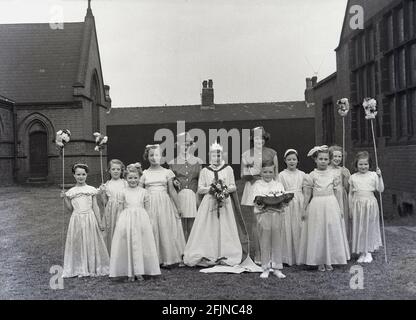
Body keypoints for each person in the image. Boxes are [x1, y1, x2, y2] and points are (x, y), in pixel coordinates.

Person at [183, 141, 242, 267]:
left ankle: (225, 252)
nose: (217, 158)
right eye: (214, 156)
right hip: (209, 202)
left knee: (225, 226)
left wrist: (223, 189)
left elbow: (233, 186)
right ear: (210, 156)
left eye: (219, 155)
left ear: (222, 156)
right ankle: (208, 252)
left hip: (224, 203)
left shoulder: (228, 169)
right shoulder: (205, 170)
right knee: (208, 226)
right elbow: (200, 188)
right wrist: (212, 189)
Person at [297, 146, 350, 272]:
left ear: (329, 160)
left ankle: (330, 259)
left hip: (331, 203)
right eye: (320, 159)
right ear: (315, 159)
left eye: (326, 159)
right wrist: (304, 209)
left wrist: (340, 208)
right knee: (318, 231)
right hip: (317, 205)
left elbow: (337, 193)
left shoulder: (333, 175)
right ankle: (319, 260)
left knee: (331, 229)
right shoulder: (311, 175)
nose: (323, 161)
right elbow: (307, 194)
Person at [109, 165, 161, 281]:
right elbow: (120, 210)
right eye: (130, 178)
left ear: (139, 178)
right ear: (126, 178)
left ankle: (140, 271)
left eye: (135, 178)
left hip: (141, 220)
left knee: (141, 244)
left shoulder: (144, 192)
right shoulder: (122, 192)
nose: (133, 180)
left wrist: (149, 222)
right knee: (128, 244)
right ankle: (130, 271)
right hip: (126, 220)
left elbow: (148, 209)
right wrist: (119, 224)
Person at [140, 144, 186, 267]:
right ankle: (155, 258)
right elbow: (140, 191)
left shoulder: (167, 172)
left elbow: (171, 190)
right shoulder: (144, 173)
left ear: (161, 157)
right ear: (147, 156)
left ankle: (168, 257)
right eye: (151, 155)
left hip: (164, 203)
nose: (154, 158)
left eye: (157, 155)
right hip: (150, 203)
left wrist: (178, 207)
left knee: (165, 228)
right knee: (152, 228)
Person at [61, 163, 109, 277]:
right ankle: (80, 266)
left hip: (90, 218)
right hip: (76, 219)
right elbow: (70, 209)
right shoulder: (72, 191)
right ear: (74, 175)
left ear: (87, 175)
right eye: (78, 174)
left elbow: (95, 207)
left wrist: (99, 222)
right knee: (78, 241)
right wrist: (64, 198)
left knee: (90, 240)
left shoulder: (91, 190)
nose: (81, 177)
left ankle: (91, 265)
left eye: (83, 174)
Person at [240, 126, 278, 262]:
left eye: (261, 138)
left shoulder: (272, 153)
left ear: (265, 139)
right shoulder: (246, 154)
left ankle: (271, 253)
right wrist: (253, 174)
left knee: (271, 221)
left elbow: (276, 174)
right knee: (256, 222)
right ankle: (258, 253)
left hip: (269, 188)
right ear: (252, 139)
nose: (259, 141)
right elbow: (242, 174)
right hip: (253, 187)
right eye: (256, 138)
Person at [252, 161, 287, 279]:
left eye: (270, 172)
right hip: (264, 215)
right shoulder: (257, 185)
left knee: (277, 240)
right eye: (265, 172)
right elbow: (256, 201)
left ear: (274, 172)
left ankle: (277, 267)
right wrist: (264, 206)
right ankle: (265, 267)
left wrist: (279, 204)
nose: (267, 174)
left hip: (276, 215)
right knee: (265, 240)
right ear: (261, 172)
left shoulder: (278, 185)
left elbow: (283, 200)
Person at [349, 151, 384, 263]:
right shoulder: (353, 177)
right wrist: (350, 207)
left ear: (369, 164)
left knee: (369, 226)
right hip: (357, 204)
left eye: (366, 164)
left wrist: (380, 176)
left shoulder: (373, 175)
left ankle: (368, 251)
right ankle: (362, 251)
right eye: (360, 164)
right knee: (360, 227)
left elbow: (380, 189)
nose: (363, 166)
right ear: (356, 165)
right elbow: (350, 193)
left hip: (370, 204)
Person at [169, 132, 203, 242]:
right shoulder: (172, 163)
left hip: (194, 195)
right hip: (180, 196)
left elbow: (201, 181)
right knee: (181, 225)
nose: (185, 147)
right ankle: (182, 250)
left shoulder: (198, 161)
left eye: (188, 145)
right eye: (183, 144)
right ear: (178, 145)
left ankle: (191, 249)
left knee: (193, 225)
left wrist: (198, 197)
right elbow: (170, 182)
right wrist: (175, 182)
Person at [277, 149, 306, 265]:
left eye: (294, 159)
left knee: (299, 226)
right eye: (289, 159)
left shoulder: (302, 174)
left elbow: (306, 190)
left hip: (300, 200)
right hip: (288, 202)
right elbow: (280, 190)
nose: (291, 162)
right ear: (285, 161)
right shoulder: (281, 175)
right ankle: (288, 256)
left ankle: (301, 255)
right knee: (287, 226)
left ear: (298, 160)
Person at [98, 159, 127, 253]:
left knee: (122, 231)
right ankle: (110, 252)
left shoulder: (125, 183)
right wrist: (102, 193)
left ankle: (122, 253)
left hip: (123, 210)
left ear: (121, 170)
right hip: (110, 211)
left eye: (118, 169)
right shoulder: (107, 184)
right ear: (109, 170)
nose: (115, 171)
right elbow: (104, 203)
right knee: (110, 231)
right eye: (113, 169)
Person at [329, 145, 351, 242]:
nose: (337, 159)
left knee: (342, 220)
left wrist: (346, 177)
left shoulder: (344, 170)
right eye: (335, 156)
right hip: (330, 196)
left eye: (340, 156)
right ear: (330, 157)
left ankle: (343, 246)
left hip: (341, 197)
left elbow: (347, 188)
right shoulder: (326, 169)